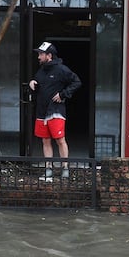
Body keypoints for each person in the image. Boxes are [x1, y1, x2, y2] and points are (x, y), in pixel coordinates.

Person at [28, 41, 81, 181]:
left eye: (41, 54)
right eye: (38, 54)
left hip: (56, 111)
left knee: (60, 140)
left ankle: (65, 168)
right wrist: (33, 82)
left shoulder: (61, 69)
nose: (38, 57)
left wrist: (63, 94)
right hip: (41, 112)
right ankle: (48, 169)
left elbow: (76, 82)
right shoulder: (41, 70)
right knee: (45, 141)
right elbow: (40, 85)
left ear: (49, 55)